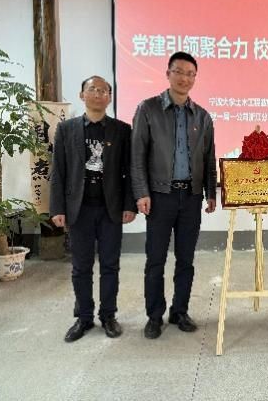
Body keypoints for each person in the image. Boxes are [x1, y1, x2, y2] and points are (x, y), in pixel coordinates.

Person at [131, 51, 217, 339]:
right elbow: (137, 155)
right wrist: (141, 192)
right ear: (168, 74)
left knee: (186, 259)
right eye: (179, 72)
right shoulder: (148, 109)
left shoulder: (202, 116)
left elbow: (208, 157)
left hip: (190, 197)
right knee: (155, 259)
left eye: (190, 74)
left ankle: (179, 311)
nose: (184, 78)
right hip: (160, 196)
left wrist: (211, 193)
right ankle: (154, 316)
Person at [50, 75, 137, 342]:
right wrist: (57, 208)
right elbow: (59, 171)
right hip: (79, 209)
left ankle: (108, 316)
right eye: (92, 89)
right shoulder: (67, 129)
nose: (98, 94)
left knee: (110, 265)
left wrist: (129, 205)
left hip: (111, 209)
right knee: (81, 267)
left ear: (109, 97)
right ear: (82, 95)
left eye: (103, 90)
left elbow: (129, 171)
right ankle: (84, 318)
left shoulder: (122, 130)